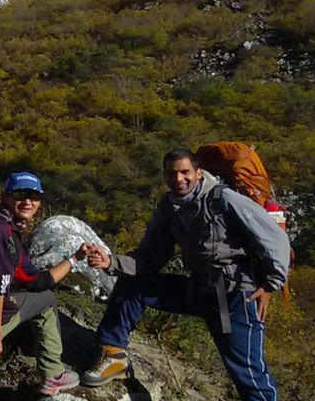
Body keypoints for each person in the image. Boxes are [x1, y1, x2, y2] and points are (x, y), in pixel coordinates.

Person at [78, 149, 291, 400]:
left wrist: (270, 284)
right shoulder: (170, 207)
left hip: (235, 296)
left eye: (185, 172)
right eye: (172, 173)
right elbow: (149, 258)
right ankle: (113, 355)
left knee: (247, 372)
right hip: (200, 289)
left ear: (198, 173)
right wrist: (110, 262)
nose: (179, 179)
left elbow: (274, 238)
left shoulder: (224, 199)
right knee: (135, 284)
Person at [0, 171, 82, 400]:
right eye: (21, 194)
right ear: (6, 196)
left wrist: (74, 259)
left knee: (46, 300)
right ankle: (51, 372)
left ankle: (53, 373)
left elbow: (38, 282)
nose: (28, 201)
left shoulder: (8, 229)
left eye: (34, 196)